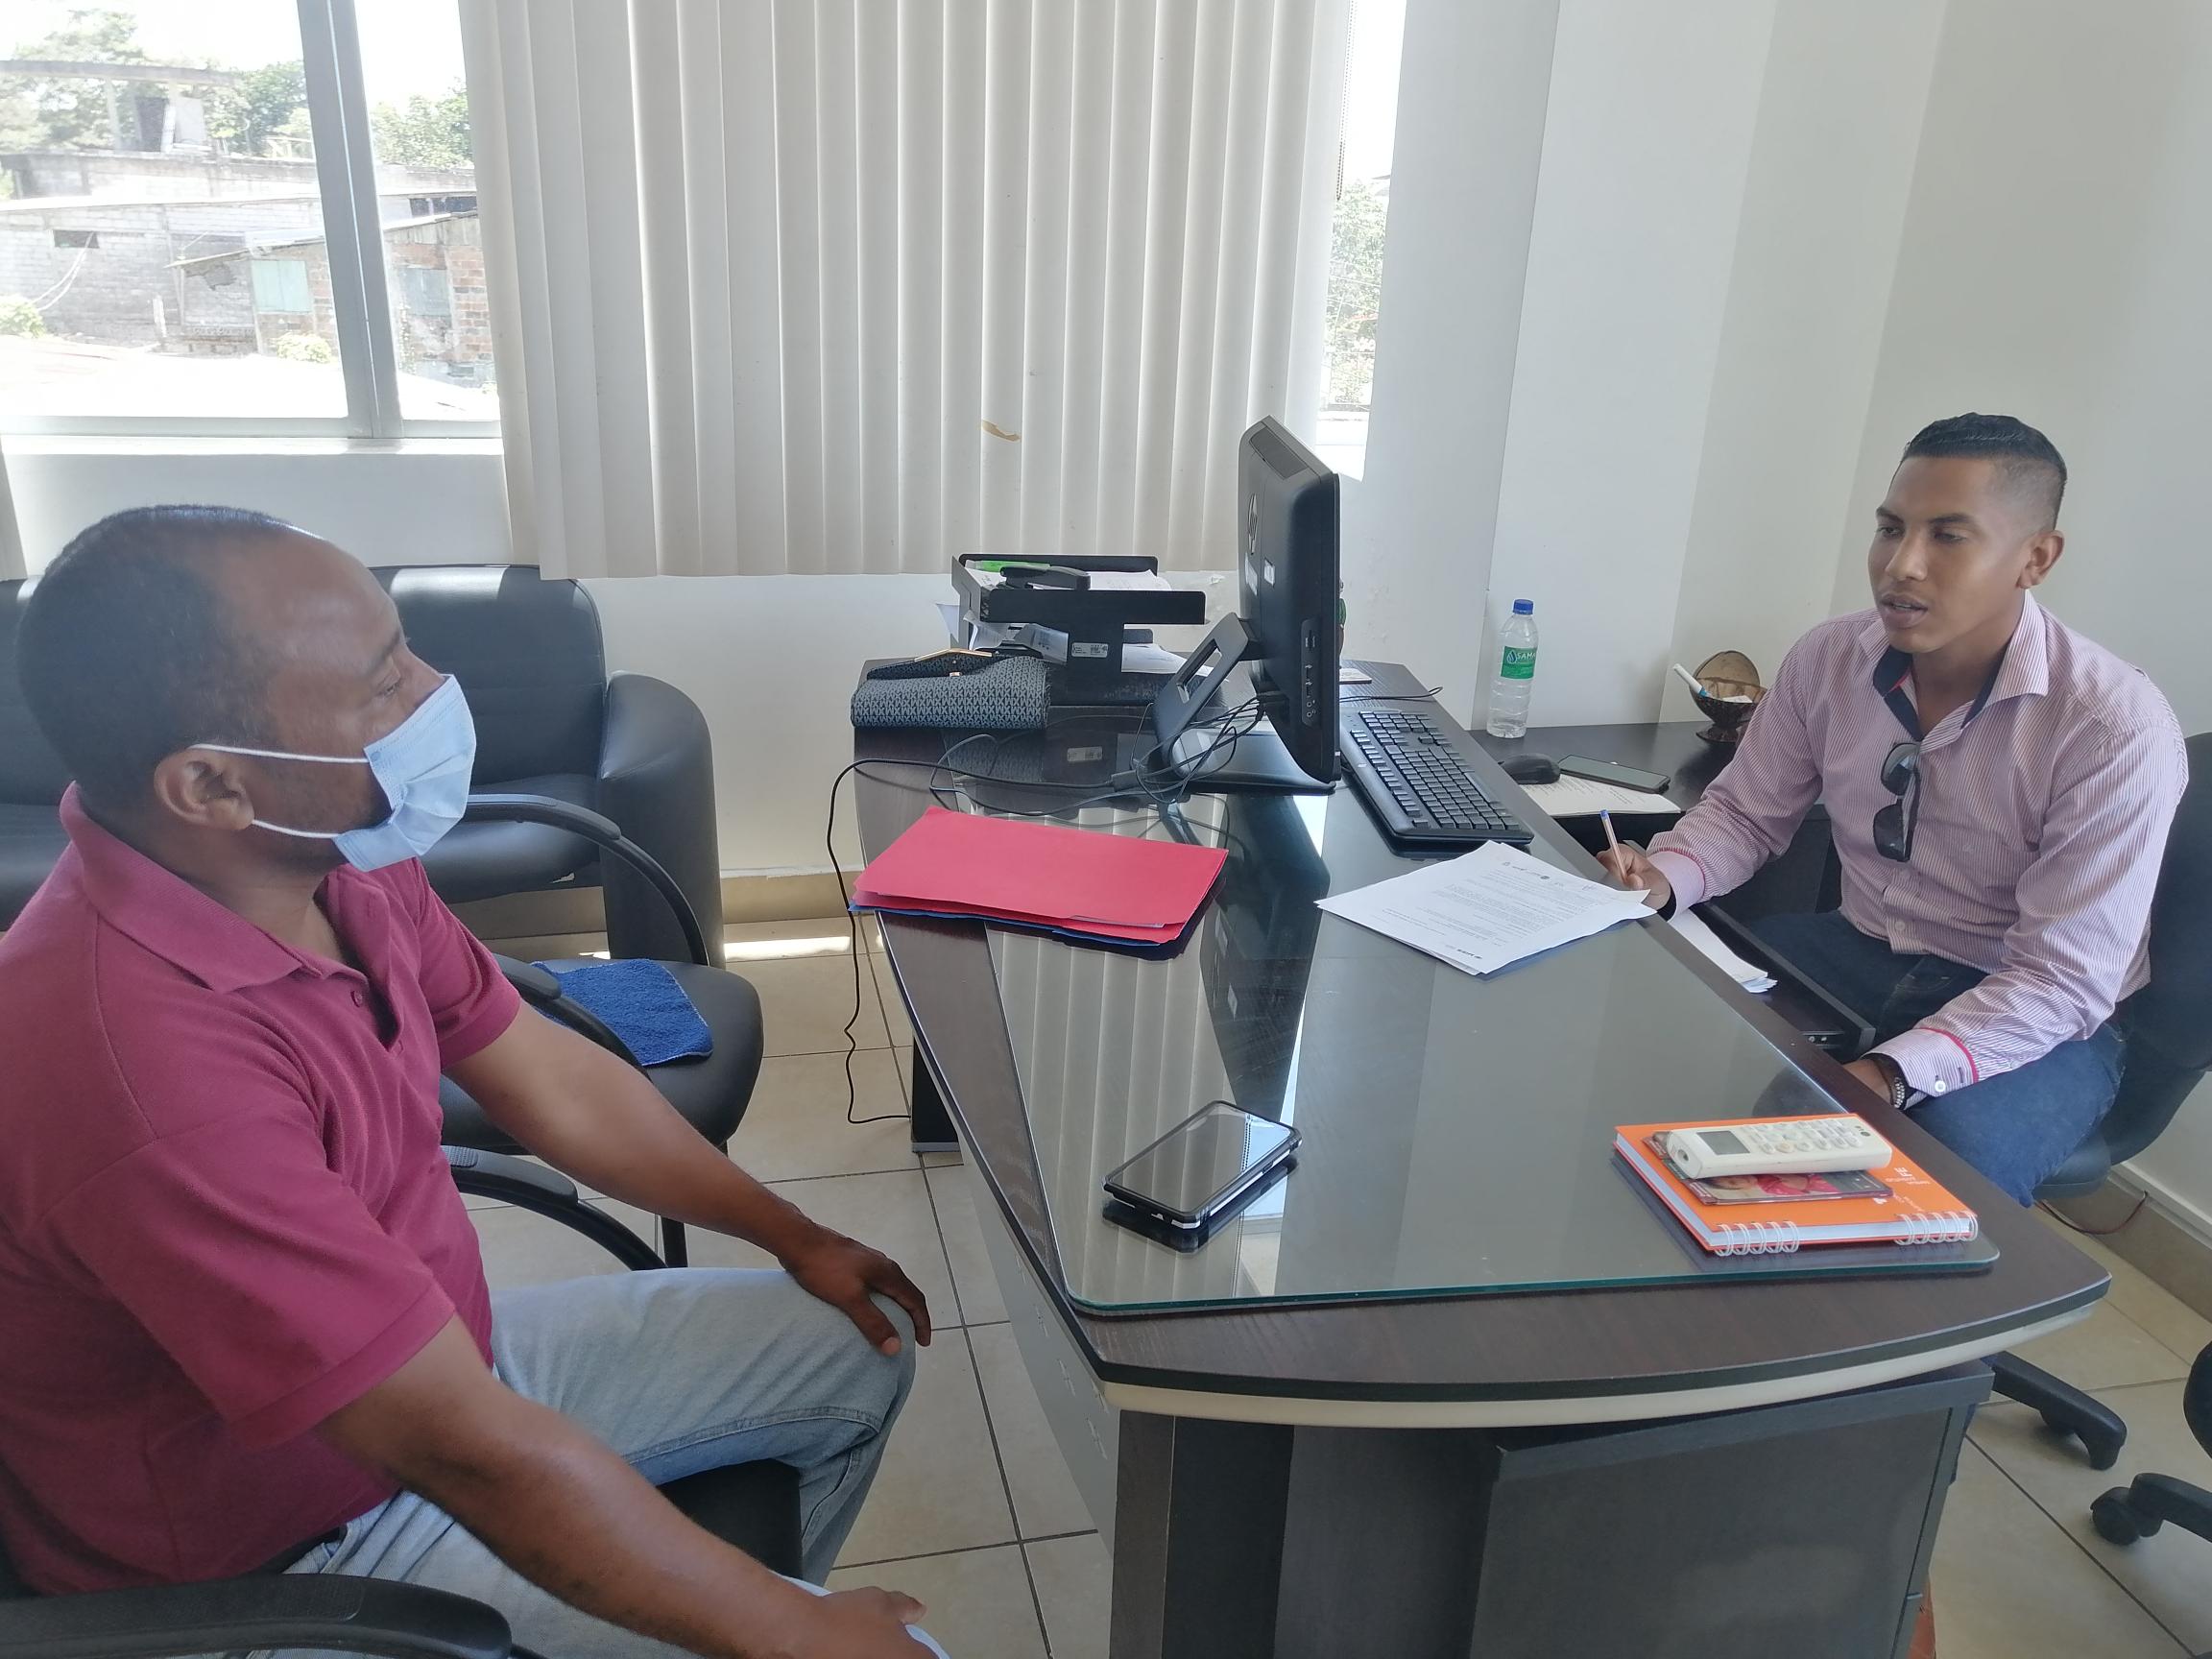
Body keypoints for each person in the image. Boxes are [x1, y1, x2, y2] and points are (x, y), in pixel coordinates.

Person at [0, 507, 947, 1659]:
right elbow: (463, 1450)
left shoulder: (338, 859)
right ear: (211, 785)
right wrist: (792, 1634)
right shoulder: (135, 1072)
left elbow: (551, 1078)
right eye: (382, 680)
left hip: (448, 1366)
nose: (434, 691)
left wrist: (793, 1234)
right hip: (295, 1546)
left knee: (855, 1339)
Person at [1600, 415, 2186, 1206]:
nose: (1901, 564)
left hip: (2033, 1011)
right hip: (1858, 948)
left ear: (2036, 558)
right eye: (1889, 529)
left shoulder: (2112, 728)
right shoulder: (1828, 658)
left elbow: (2061, 981)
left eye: (1949, 536)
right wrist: (1663, 877)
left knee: (1935, 1176)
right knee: (1662, 1037)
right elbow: (1744, 814)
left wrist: (1888, 1073)